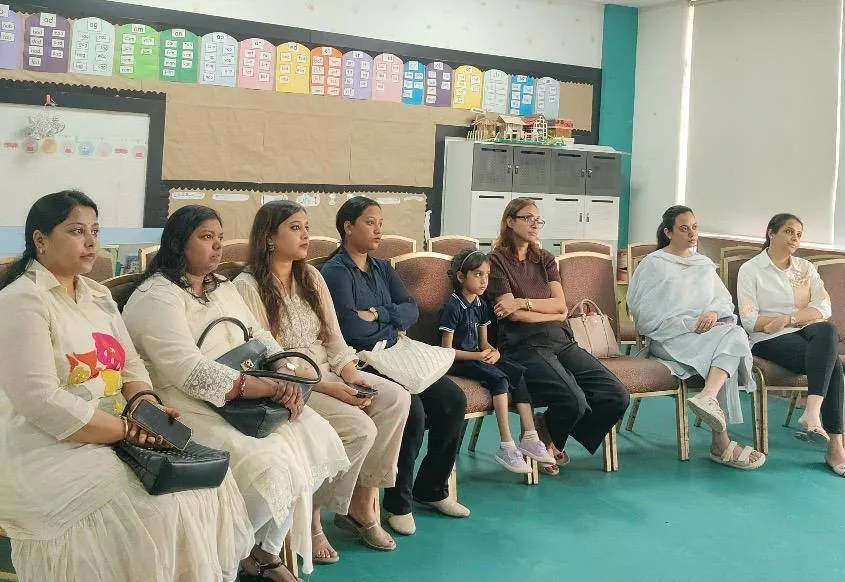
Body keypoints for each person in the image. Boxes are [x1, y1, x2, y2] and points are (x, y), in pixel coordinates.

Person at [0, 191, 253, 582]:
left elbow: (132, 366)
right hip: (46, 444)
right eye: (77, 231)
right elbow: (40, 401)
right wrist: (126, 429)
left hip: (117, 430)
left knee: (205, 484)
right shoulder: (20, 301)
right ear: (40, 239)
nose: (91, 242)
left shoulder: (98, 296)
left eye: (95, 231)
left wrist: (147, 408)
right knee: (157, 508)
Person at [122, 205, 349, 581]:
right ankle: (223, 558)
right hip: (185, 403)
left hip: (246, 392)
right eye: (206, 237)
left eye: (220, 238)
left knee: (315, 436)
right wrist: (264, 386)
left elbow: (258, 334)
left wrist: (283, 370)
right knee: (270, 469)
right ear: (178, 242)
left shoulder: (221, 287)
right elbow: (188, 371)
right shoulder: (156, 296)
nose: (217, 247)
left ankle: (263, 552)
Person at [234, 200, 410, 560]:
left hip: (329, 371)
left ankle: (361, 503)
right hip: (290, 384)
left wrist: (351, 373)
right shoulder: (248, 286)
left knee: (396, 398)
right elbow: (269, 357)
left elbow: (333, 338)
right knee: (361, 429)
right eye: (295, 228)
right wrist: (331, 387)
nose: (306, 235)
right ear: (269, 237)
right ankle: (313, 518)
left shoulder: (311, 277)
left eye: (306, 227)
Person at [321, 196, 469, 537]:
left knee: (453, 400)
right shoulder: (335, 272)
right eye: (370, 222)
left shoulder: (383, 267)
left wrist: (378, 314)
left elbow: (410, 309)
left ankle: (431, 488)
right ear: (348, 226)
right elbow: (350, 329)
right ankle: (397, 503)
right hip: (363, 360)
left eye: (380, 223)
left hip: (399, 355)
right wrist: (390, 320)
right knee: (412, 411)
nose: (378, 230)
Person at [486, 197, 629, 476]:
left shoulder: (545, 259)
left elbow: (561, 306)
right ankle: (551, 441)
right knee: (574, 400)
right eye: (527, 218)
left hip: (561, 340)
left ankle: (549, 434)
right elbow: (512, 316)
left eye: (537, 219)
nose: (534, 224)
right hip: (523, 344)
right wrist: (547, 311)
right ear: (509, 222)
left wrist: (523, 303)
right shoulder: (496, 261)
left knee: (616, 395)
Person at [628, 205, 765, 470]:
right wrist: (688, 323)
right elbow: (644, 317)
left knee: (734, 334)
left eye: (694, 227)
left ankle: (708, 396)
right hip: (668, 339)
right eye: (684, 228)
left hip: (705, 335)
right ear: (668, 232)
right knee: (729, 348)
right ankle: (720, 442)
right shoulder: (653, 264)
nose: (692, 234)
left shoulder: (702, 264)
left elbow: (723, 301)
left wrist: (713, 313)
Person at [737, 213, 845, 476]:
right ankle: (836, 445)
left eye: (798, 234)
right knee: (831, 363)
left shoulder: (805, 268)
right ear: (771, 233)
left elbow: (824, 308)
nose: (795, 238)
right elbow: (750, 320)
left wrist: (788, 318)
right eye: (788, 231)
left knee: (828, 329)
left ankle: (812, 411)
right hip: (767, 339)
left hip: (805, 330)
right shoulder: (751, 269)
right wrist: (778, 323)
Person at [439, 248, 555, 473]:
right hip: (457, 361)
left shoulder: (481, 304)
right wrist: (478, 356)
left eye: (487, 275)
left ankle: (530, 437)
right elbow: (446, 351)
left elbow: (484, 343)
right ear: (461, 276)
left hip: (477, 356)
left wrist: (495, 353)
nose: (484, 281)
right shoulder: (453, 306)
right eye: (478, 275)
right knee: (500, 379)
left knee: (518, 373)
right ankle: (506, 445)